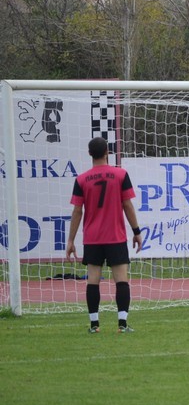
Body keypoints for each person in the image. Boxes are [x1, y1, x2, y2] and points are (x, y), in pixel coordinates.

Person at [65, 137, 142, 334]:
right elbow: (127, 205)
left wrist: (71, 240)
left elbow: (77, 211)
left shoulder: (81, 179)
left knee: (93, 280)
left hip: (93, 238)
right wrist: (136, 231)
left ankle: (94, 325)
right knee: (121, 280)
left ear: (89, 154)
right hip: (115, 236)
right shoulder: (120, 174)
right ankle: (122, 324)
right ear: (108, 152)